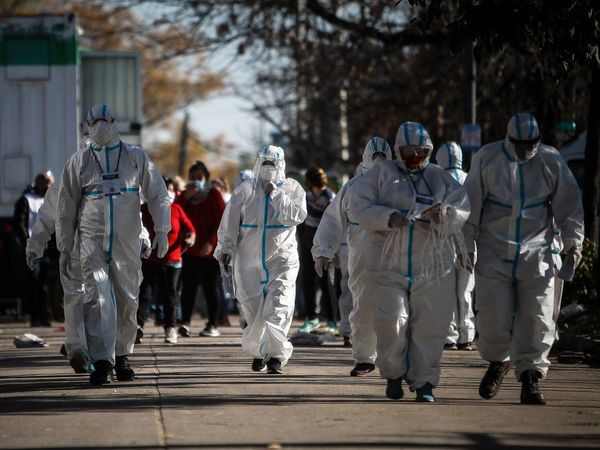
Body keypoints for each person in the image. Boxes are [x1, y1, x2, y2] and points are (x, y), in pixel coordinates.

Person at [464, 113, 584, 405]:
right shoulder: (488, 158)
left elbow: (569, 206)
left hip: (537, 252)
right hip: (494, 251)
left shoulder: (550, 160)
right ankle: (498, 360)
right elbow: (470, 202)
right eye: (519, 144)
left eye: (529, 144)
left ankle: (531, 376)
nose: (524, 150)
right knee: (493, 315)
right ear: (509, 139)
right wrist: (466, 244)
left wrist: (573, 244)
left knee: (538, 317)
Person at [349, 122, 470, 401]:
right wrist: (388, 217)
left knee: (431, 324)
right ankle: (393, 373)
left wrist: (444, 215)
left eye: (421, 150)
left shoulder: (440, 177)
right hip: (389, 261)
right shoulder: (382, 175)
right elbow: (359, 205)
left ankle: (425, 382)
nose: (415, 156)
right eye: (408, 151)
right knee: (391, 319)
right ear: (398, 150)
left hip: (432, 263)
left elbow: (462, 207)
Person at [56, 104, 171, 385]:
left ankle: (122, 357)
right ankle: (102, 362)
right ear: (87, 124)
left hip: (127, 239)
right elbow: (66, 205)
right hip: (91, 238)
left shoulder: (134, 156)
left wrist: (163, 229)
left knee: (127, 298)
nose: (99, 125)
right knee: (96, 299)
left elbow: (157, 192)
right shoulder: (78, 161)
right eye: (94, 121)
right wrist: (65, 243)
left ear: (115, 122)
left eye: (104, 120)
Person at [214, 145, 307, 374]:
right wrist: (225, 249)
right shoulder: (245, 190)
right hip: (248, 261)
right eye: (264, 162)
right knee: (253, 310)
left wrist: (275, 193)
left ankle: (275, 356)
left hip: (282, 260)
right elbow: (229, 224)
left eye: (272, 163)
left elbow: (297, 216)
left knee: (278, 306)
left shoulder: (292, 188)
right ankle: (259, 350)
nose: (268, 167)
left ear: (281, 164)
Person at [312, 137, 392, 362]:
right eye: (374, 157)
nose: (378, 162)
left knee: (395, 308)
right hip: (361, 258)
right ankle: (365, 358)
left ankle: (394, 358)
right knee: (363, 307)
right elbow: (333, 220)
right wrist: (323, 250)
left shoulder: (399, 185)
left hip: (393, 257)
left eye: (383, 157)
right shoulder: (354, 188)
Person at [25, 179, 93, 373]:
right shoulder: (63, 185)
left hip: (99, 254)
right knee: (77, 299)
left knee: (94, 301)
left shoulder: (107, 180)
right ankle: (79, 349)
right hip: (74, 253)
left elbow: (128, 213)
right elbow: (46, 218)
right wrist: (35, 245)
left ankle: (87, 349)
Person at [139, 177, 196, 344]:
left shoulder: (176, 209)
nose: (168, 193)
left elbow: (190, 229)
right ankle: (137, 327)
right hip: (149, 260)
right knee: (144, 294)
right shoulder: (144, 209)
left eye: (170, 189)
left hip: (172, 260)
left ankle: (170, 328)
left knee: (169, 295)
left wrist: (189, 239)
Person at [175, 161, 225, 338]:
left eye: (200, 178)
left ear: (206, 178)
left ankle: (212, 324)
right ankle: (185, 323)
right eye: (193, 178)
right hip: (189, 250)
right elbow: (175, 213)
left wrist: (211, 243)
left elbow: (222, 222)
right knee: (188, 288)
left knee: (210, 288)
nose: (196, 181)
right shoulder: (186, 196)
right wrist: (185, 197)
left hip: (209, 251)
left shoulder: (214, 195)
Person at [435, 142, 476, 350]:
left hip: (443, 240)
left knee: (446, 288)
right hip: (468, 240)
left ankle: (448, 335)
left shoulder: (436, 179)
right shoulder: (469, 178)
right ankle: (466, 335)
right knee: (465, 289)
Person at [298, 167, 337, 333]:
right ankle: (311, 318)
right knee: (307, 281)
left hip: (324, 246)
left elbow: (332, 222)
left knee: (326, 283)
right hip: (307, 245)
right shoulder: (306, 197)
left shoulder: (330, 197)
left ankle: (332, 320)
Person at [14, 172, 54, 326]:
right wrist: (29, 244)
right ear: (41, 183)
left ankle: (44, 315)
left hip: (46, 248)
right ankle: (35, 315)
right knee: (34, 282)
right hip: (34, 248)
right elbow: (20, 223)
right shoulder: (26, 200)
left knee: (44, 284)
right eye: (48, 184)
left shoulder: (47, 200)